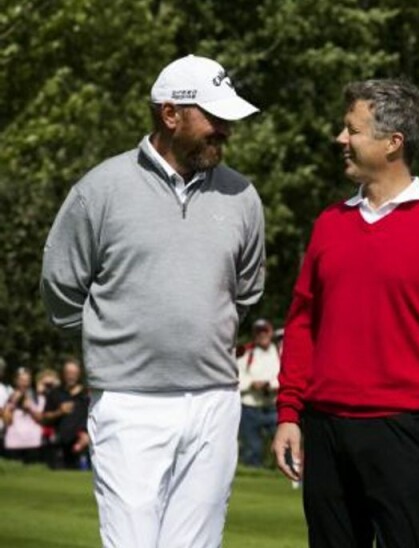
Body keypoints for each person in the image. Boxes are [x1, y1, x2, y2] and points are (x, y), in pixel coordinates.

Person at [40, 54, 264, 547]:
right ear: (170, 114)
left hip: (214, 400)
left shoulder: (242, 196)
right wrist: (123, 341)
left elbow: (245, 293)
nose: (225, 130)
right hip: (128, 401)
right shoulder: (100, 190)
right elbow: (61, 290)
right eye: (214, 118)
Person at [272, 79, 419, 548]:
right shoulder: (330, 222)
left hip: (401, 431)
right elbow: (303, 320)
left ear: (394, 143)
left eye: (353, 130)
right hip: (324, 428)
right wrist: (290, 413)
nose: (340, 139)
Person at [237, 318, 280, 467]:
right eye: (258, 332)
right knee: (253, 449)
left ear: (270, 332)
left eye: (265, 331)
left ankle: (289, 477)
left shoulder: (280, 353)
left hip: (273, 406)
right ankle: (254, 473)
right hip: (250, 407)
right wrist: (251, 384)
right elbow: (236, 379)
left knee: (283, 445)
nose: (262, 335)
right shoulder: (246, 354)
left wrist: (271, 385)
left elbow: (285, 376)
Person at [41, 358, 90, 469]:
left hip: (83, 447)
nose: (71, 376)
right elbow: (44, 418)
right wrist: (59, 412)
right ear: (63, 374)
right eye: (68, 373)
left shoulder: (87, 394)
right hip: (59, 448)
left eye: (74, 373)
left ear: (79, 374)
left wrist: (88, 436)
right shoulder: (55, 393)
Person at [2, 367, 45, 464]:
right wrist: (12, 403)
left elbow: (41, 419)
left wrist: (30, 408)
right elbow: (6, 421)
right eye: (21, 380)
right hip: (13, 442)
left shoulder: (38, 398)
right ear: (16, 381)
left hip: (33, 442)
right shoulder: (8, 398)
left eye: (27, 381)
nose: (24, 384)